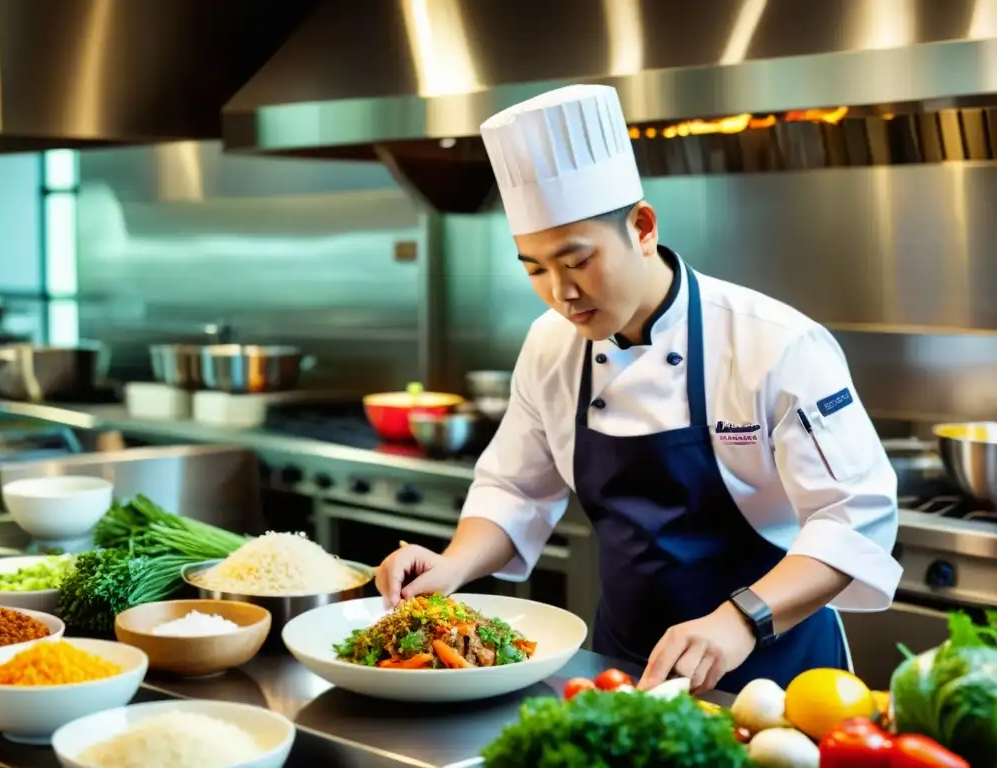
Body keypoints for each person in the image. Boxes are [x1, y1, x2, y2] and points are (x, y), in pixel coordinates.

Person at [375, 84, 901, 694]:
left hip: (776, 672)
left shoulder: (775, 344)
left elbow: (855, 517)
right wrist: (453, 565)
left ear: (643, 227)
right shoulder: (551, 345)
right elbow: (515, 488)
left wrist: (741, 619)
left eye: (576, 261)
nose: (561, 293)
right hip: (623, 663)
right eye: (536, 269)